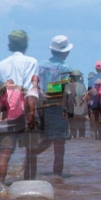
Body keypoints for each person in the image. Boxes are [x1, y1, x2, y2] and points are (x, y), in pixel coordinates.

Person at [0, 30, 38, 187]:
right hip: (23, 112)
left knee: (4, 153)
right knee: (31, 153)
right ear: (25, 44)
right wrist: (31, 114)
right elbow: (31, 91)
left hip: (5, 113)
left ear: (10, 45)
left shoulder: (1, 65)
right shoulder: (31, 62)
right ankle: (29, 186)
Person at [29, 35, 75, 180]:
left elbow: (35, 85)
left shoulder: (40, 65)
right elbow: (65, 90)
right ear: (65, 52)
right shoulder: (65, 67)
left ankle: (28, 160)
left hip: (40, 106)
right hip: (56, 106)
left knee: (47, 140)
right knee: (59, 148)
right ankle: (57, 178)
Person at [66, 70, 88, 139]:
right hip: (81, 112)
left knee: (73, 132)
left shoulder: (68, 86)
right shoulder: (83, 86)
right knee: (82, 132)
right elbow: (85, 100)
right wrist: (87, 113)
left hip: (72, 112)